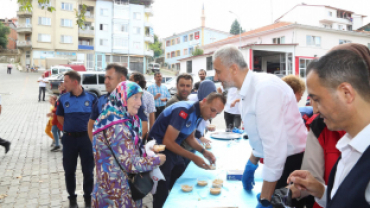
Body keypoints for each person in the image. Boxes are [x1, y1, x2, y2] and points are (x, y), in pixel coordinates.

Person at [213, 45, 307, 208]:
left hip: (292, 162)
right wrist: (252, 162)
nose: (215, 77)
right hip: (280, 160)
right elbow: (259, 134)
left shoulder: (265, 89)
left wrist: (266, 198)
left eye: (218, 71)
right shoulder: (247, 90)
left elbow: (275, 148)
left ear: (233, 69)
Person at [288, 49, 370, 208]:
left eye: (317, 99)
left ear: (346, 93)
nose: (316, 109)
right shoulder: (349, 146)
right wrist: (320, 191)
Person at [91, 81, 166, 208]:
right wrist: (156, 160)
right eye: (135, 97)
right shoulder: (117, 127)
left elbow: (125, 148)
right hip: (116, 193)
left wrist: (146, 148)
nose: (140, 103)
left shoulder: (115, 116)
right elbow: (130, 164)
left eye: (140, 98)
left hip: (112, 186)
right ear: (123, 97)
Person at [150, 93, 225, 208]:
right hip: (159, 149)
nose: (213, 115)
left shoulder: (200, 113)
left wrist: (204, 152)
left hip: (172, 146)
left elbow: (189, 137)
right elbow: (168, 142)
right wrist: (194, 157)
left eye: (217, 113)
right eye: (213, 110)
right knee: (162, 189)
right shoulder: (184, 111)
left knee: (181, 177)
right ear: (204, 101)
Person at [56, 71, 97, 208]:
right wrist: (70, 127)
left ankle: (87, 199)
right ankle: (72, 199)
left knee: (88, 171)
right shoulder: (63, 98)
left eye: (66, 81)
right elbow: (60, 117)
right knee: (69, 171)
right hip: (69, 140)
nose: (63, 84)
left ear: (75, 82)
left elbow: (97, 118)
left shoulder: (92, 97)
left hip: (86, 139)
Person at [87, 64, 148, 142]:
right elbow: (91, 124)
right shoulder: (100, 100)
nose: (106, 82)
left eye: (109, 78)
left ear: (121, 79)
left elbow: (144, 125)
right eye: (105, 78)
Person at [129, 72, 156, 139]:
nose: (128, 82)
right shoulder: (127, 95)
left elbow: (151, 115)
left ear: (136, 82)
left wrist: (150, 133)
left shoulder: (148, 96)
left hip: (141, 130)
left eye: (130, 80)